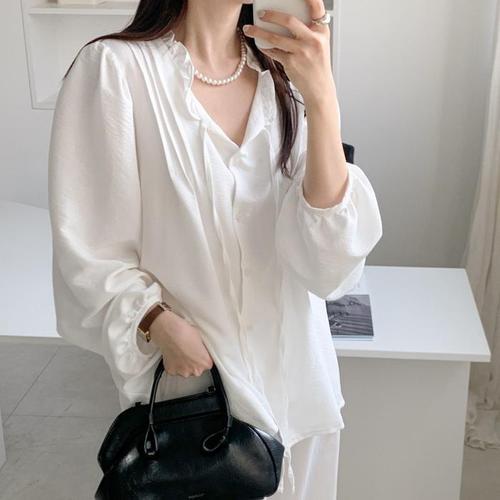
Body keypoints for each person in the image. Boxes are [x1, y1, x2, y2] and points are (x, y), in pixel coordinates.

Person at [47, 0, 383, 498]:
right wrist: (155, 320)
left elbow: (327, 264)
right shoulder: (115, 69)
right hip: (198, 406)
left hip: (299, 393)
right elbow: (88, 244)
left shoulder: (283, 80)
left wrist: (323, 97)